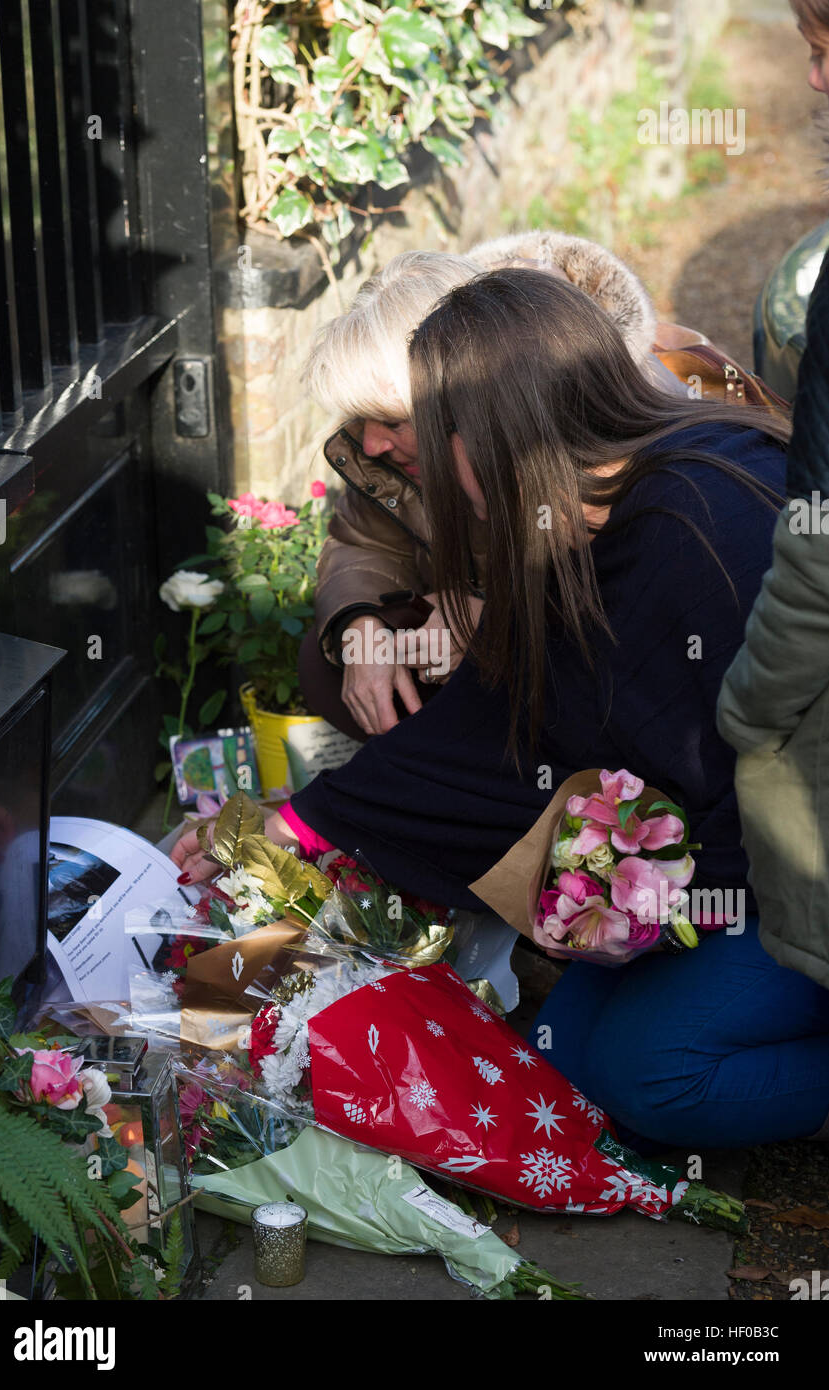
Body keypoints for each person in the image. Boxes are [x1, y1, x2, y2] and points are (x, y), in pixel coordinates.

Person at [174, 267, 829, 1149]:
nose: (384, 453)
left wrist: (664, 897)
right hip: (743, 862)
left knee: (652, 1077)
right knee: (563, 1060)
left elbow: (734, 775)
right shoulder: (597, 510)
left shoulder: (694, 526)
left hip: (794, 877)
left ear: (490, 433)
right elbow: (494, 731)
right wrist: (293, 826)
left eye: (422, 431)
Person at [300, 232, 712, 741]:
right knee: (323, 667)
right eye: (361, 419)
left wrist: (498, 620)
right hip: (503, 647)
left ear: (470, 399)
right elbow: (360, 543)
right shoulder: (411, 445)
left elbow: (630, 602)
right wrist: (359, 626)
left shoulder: (597, 436)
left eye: (393, 421)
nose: (372, 443)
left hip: (617, 687)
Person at [716, 0, 829, 999]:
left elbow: (818, 555)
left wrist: (747, 712)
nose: (814, 81)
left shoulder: (812, 288)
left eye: (828, 49)